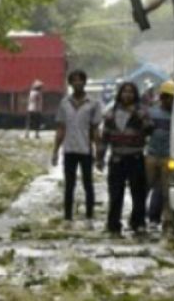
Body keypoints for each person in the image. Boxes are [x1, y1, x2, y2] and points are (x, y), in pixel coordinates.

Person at [101, 81, 153, 236]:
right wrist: (100, 157)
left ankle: (138, 222)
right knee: (115, 193)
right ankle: (113, 224)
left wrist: (138, 114)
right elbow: (105, 136)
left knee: (138, 193)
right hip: (116, 159)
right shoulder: (111, 112)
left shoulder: (142, 111)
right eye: (124, 91)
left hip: (136, 157)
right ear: (119, 94)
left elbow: (150, 129)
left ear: (135, 94)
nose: (127, 94)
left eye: (131, 92)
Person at [52, 69, 103, 224]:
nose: (77, 83)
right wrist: (55, 151)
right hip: (69, 149)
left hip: (86, 150)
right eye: (74, 80)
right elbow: (61, 128)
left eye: (80, 80)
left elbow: (95, 129)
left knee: (88, 184)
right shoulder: (64, 103)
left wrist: (99, 152)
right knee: (69, 184)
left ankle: (89, 216)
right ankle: (68, 217)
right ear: (70, 83)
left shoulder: (93, 104)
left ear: (84, 82)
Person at [145, 80, 174, 233]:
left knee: (167, 190)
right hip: (152, 155)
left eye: (173, 97)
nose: (171, 101)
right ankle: (144, 218)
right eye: (168, 97)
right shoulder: (152, 112)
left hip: (169, 157)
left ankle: (168, 221)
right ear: (162, 97)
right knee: (147, 187)